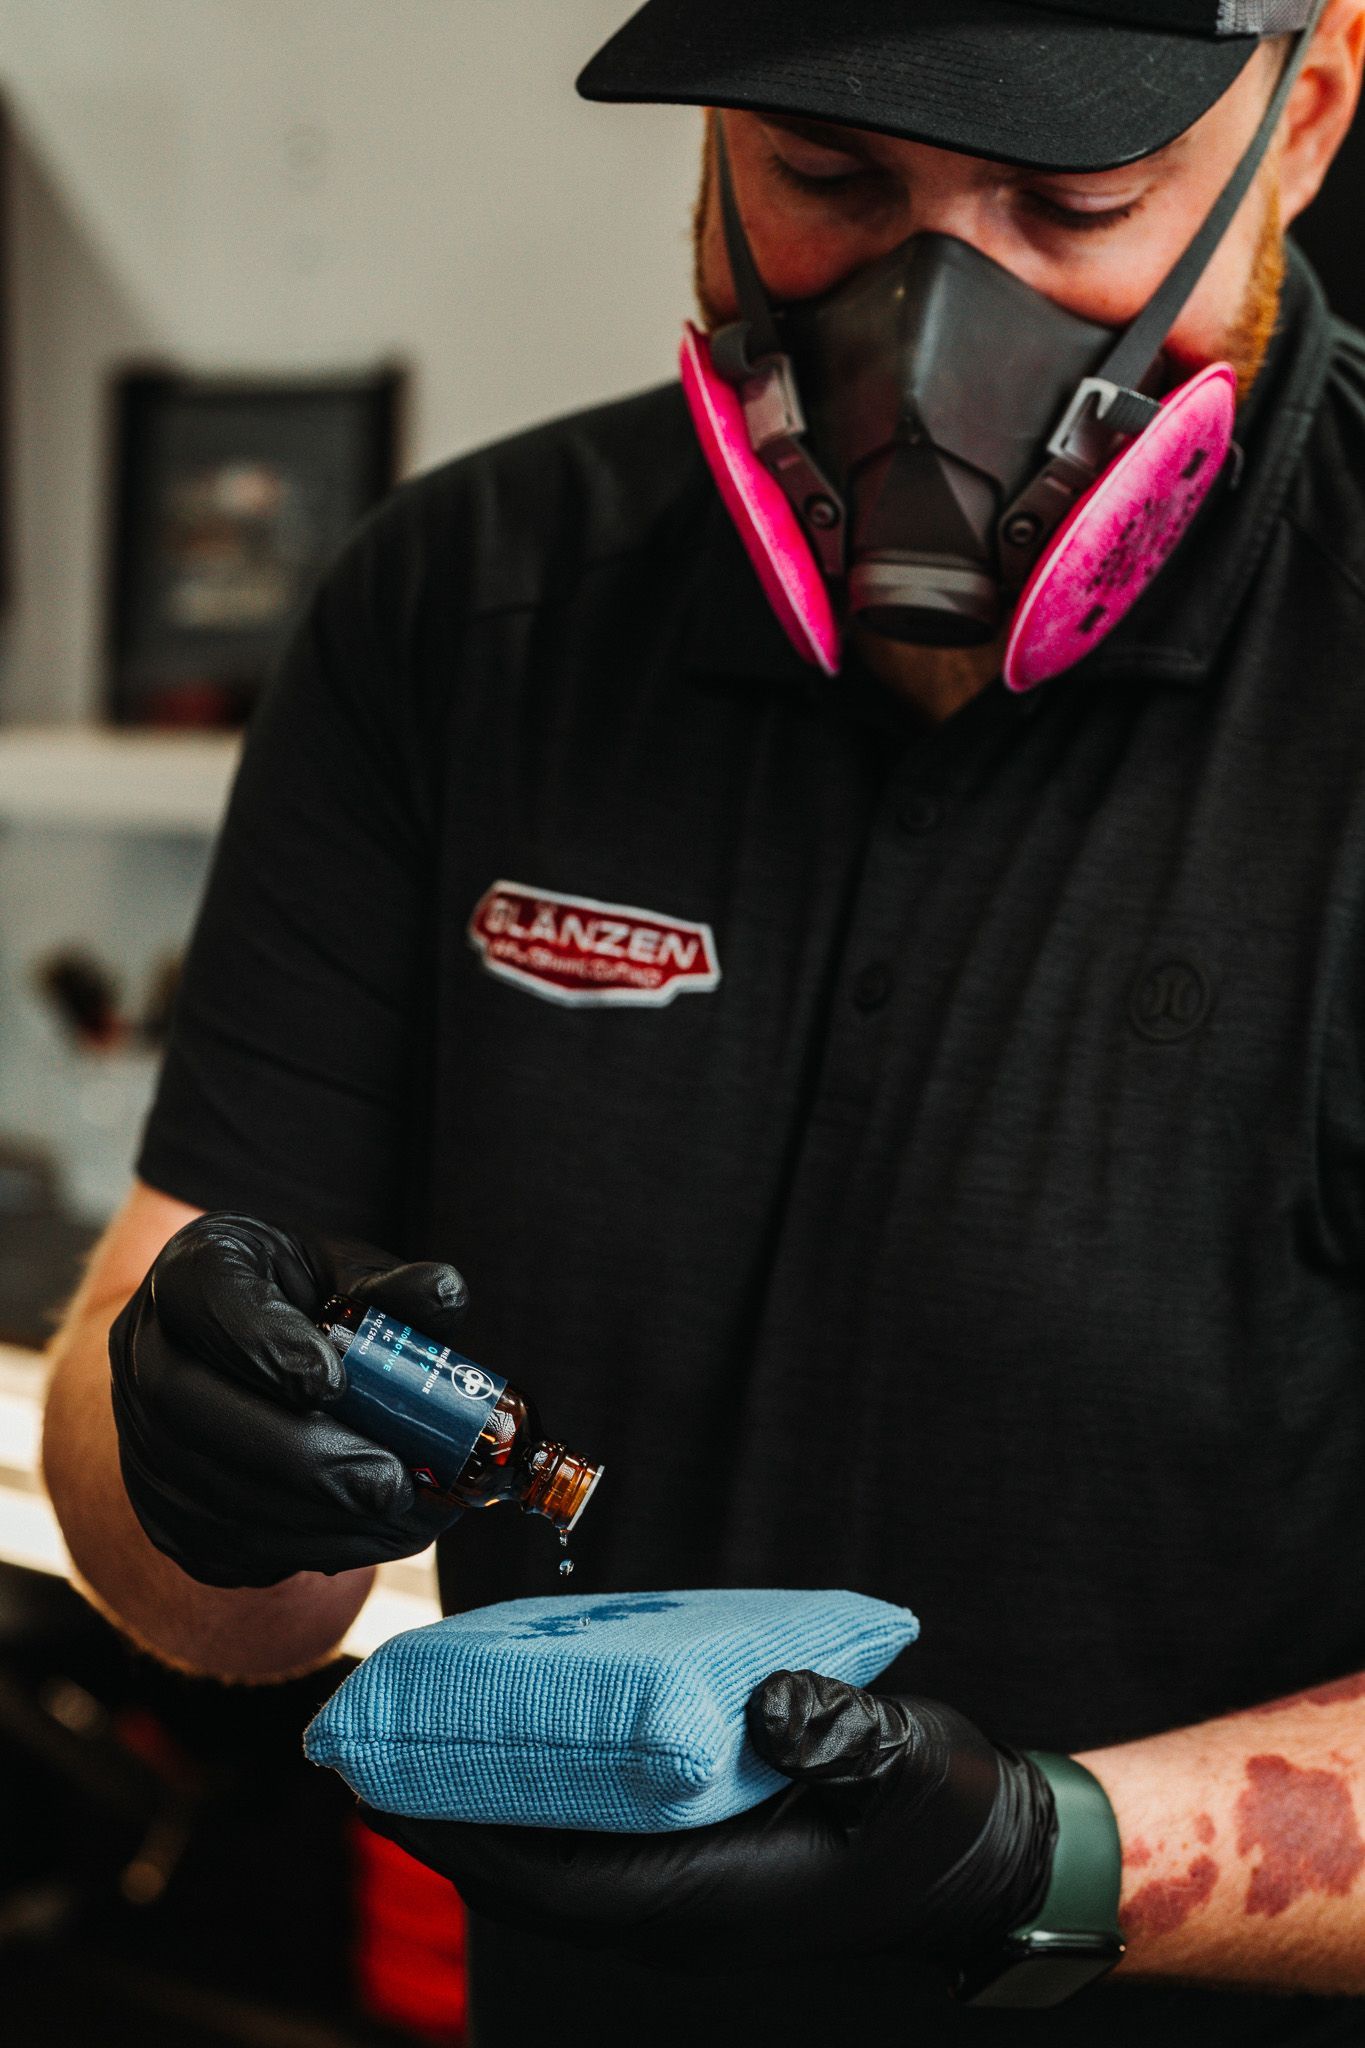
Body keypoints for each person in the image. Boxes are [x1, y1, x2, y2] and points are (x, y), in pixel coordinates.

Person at [40, 0, 1365, 2039]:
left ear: (1307, 113)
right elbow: (191, 1558)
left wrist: (1048, 1858)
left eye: (1074, 199)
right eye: (825, 178)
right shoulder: (455, 617)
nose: (935, 321)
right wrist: (186, 1450)